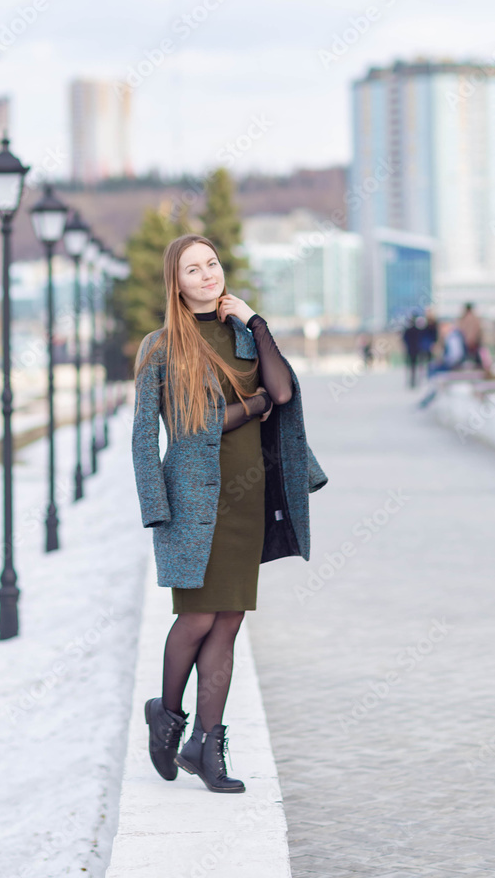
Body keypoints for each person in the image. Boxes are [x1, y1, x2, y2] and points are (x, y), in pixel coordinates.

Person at [132, 234, 328, 795]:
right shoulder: (161, 347)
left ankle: (207, 745)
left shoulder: (244, 334)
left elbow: (284, 392)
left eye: (211, 264)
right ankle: (167, 718)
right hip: (192, 502)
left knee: (230, 620)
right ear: (176, 282)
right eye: (192, 269)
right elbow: (166, 433)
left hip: (247, 496)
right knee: (196, 617)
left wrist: (256, 321)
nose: (206, 275)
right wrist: (156, 508)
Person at [402, 315, 422, 388]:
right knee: (414, 366)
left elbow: (405, 340)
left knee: (411, 366)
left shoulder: (408, 331)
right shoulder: (417, 330)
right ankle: (413, 381)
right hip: (416, 350)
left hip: (410, 350)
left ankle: (412, 381)